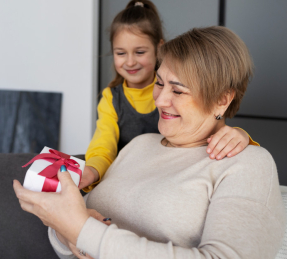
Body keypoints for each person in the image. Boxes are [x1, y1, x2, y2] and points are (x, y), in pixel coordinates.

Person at [13, 26, 286, 259]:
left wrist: (85, 232)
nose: (160, 100)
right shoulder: (139, 145)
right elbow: (74, 253)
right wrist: (68, 232)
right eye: (159, 83)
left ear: (222, 100)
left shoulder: (248, 163)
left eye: (177, 91)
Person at [80, 0, 259, 192]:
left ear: (159, 47)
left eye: (177, 90)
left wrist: (241, 136)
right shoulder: (113, 99)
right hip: (124, 177)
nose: (159, 100)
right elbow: (103, 144)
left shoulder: (222, 161)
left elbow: (211, 128)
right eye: (121, 53)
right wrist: (92, 170)